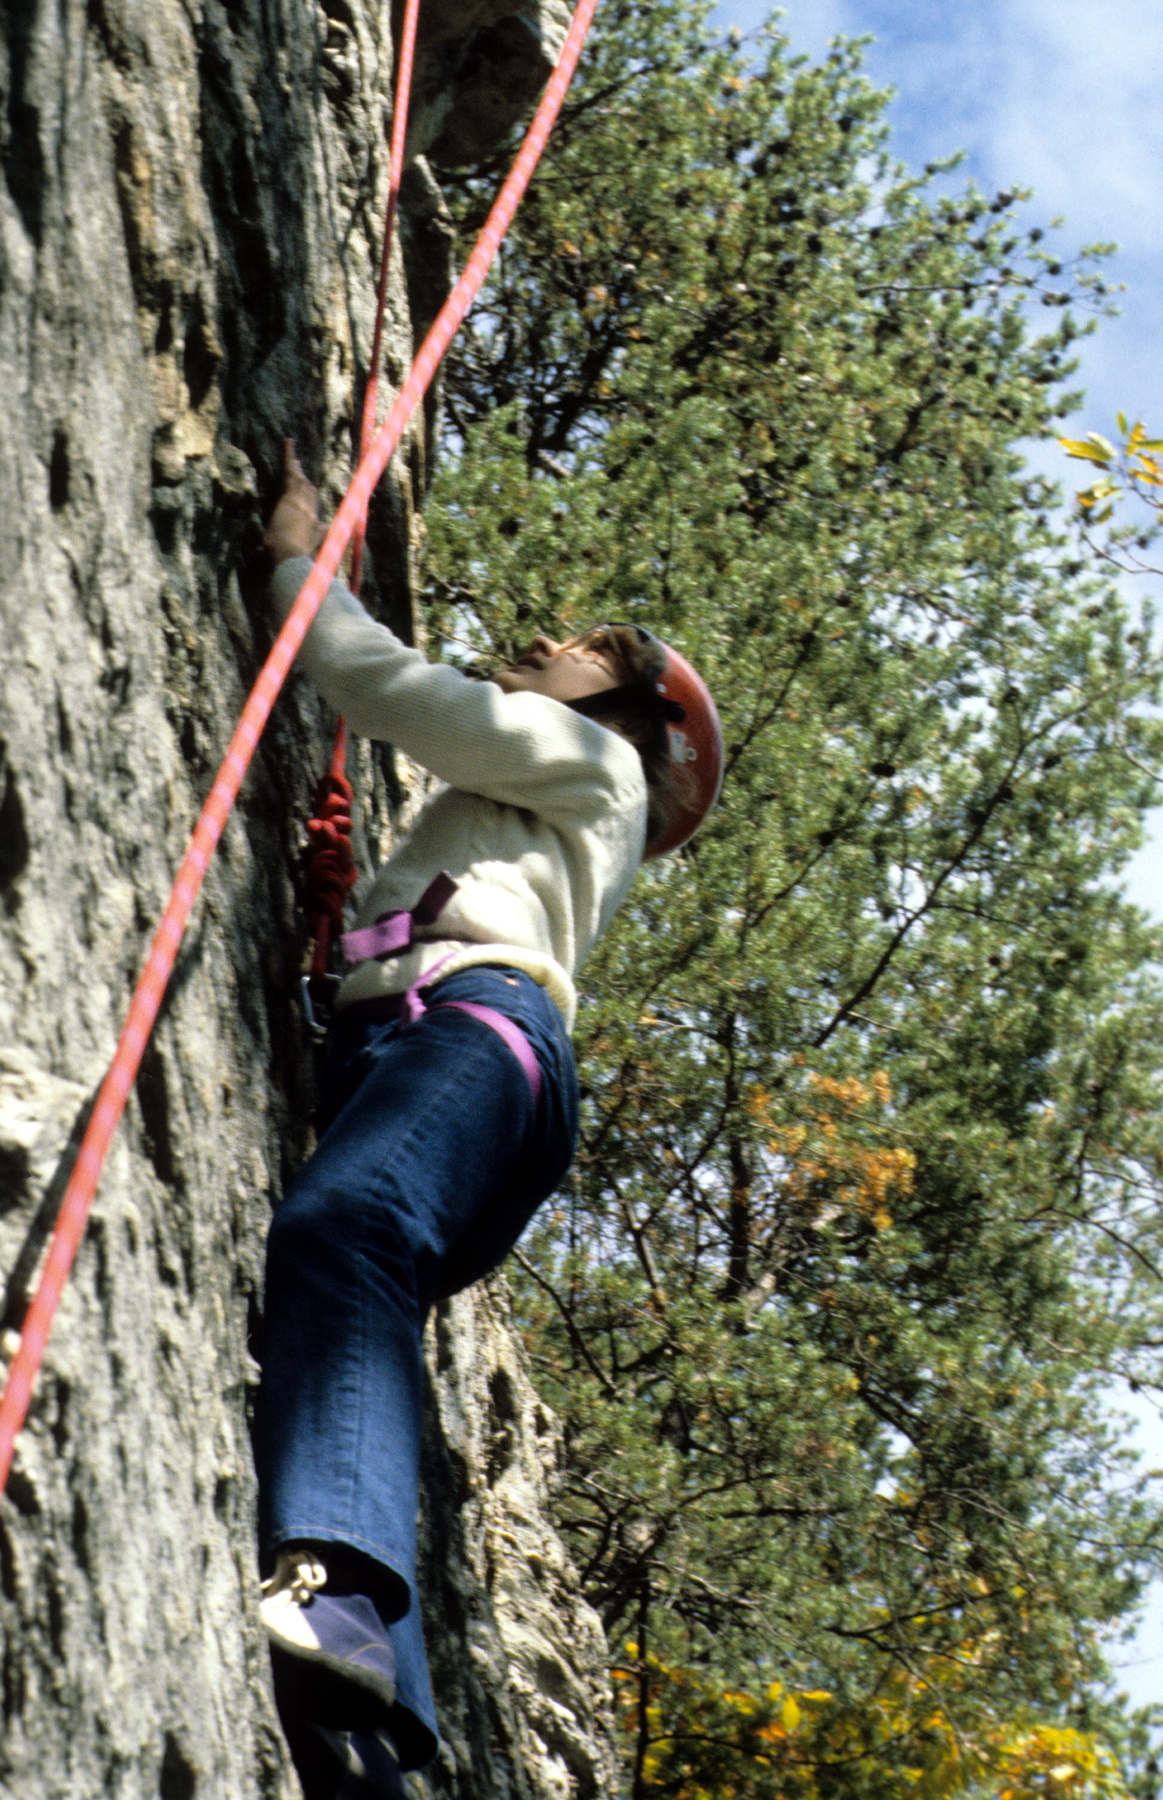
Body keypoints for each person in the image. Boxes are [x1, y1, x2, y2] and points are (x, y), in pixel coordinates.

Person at [253, 442, 724, 1796]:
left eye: (593, 650)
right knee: (357, 1288)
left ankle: (342, 1593)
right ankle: (374, 1724)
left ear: (631, 718)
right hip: (444, 1050)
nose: (551, 641)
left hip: (473, 1030)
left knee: (348, 1228)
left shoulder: (598, 764)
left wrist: (294, 560)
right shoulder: (522, 818)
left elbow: (387, 685)